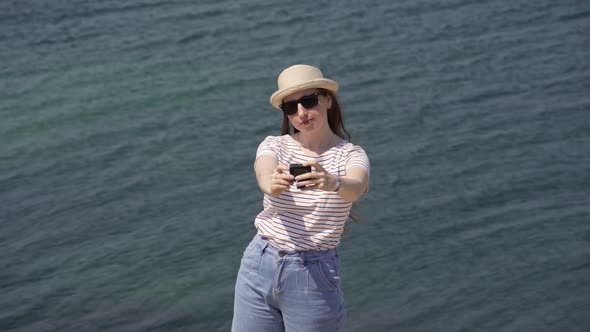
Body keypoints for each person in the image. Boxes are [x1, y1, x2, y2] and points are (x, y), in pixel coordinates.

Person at [231, 64, 370, 332]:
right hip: (259, 262)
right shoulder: (275, 145)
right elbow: (263, 171)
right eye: (291, 107)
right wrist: (270, 184)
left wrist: (332, 182)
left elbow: (357, 185)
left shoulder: (350, 155)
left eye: (309, 101)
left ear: (327, 99)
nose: (301, 113)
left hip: (313, 273)